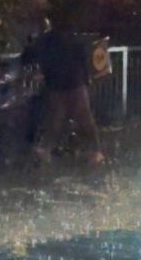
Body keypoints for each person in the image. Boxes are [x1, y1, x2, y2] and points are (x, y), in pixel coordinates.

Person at [21, 13, 104, 166]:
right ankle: (94, 151)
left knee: (57, 119)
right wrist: (87, 79)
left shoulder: (46, 41)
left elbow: (27, 56)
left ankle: (46, 150)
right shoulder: (73, 39)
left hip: (59, 85)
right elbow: (86, 60)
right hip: (73, 84)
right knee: (81, 119)